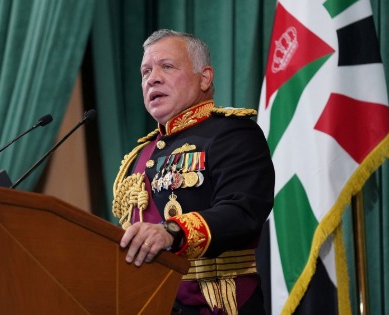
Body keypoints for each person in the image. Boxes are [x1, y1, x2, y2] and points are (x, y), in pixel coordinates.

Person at [112, 29, 275, 315]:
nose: (153, 78)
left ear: (205, 77)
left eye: (167, 66)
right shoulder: (140, 155)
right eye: (145, 71)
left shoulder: (232, 133)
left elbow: (243, 211)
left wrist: (172, 231)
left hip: (215, 304)